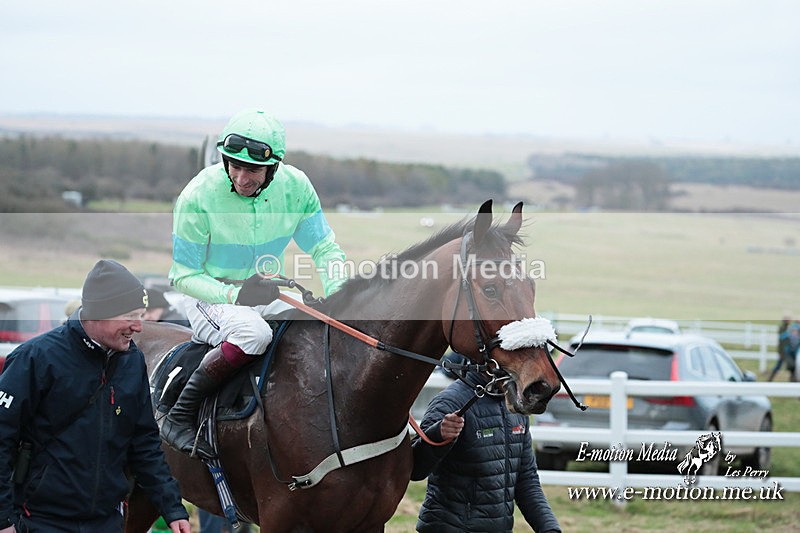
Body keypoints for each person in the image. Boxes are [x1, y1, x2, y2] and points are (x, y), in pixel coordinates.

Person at [161, 108, 347, 461]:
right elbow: (182, 275)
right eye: (234, 165)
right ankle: (180, 414)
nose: (242, 177)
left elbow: (323, 247)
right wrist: (234, 294)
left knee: (322, 326)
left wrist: (340, 295)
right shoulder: (197, 196)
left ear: (274, 167)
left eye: (253, 169)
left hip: (263, 290)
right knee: (254, 334)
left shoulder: (297, 188)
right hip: (207, 294)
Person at [0, 259, 191, 533]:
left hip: (107, 521)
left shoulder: (132, 361)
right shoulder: (36, 359)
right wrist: (3, 520)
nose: (139, 326)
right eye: (130, 316)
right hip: (39, 520)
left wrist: (172, 508)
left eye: (141, 315)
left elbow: (144, 442)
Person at [411, 368, 561, 533]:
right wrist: (438, 434)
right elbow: (416, 469)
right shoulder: (449, 402)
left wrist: (549, 528)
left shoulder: (516, 404)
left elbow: (526, 480)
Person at [768, 315, 792, 381]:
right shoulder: (783, 328)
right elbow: (782, 338)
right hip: (783, 352)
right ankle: (770, 379)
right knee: (781, 366)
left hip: (785, 352)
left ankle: (793, 380)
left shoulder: (787, 328)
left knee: (790, 366)